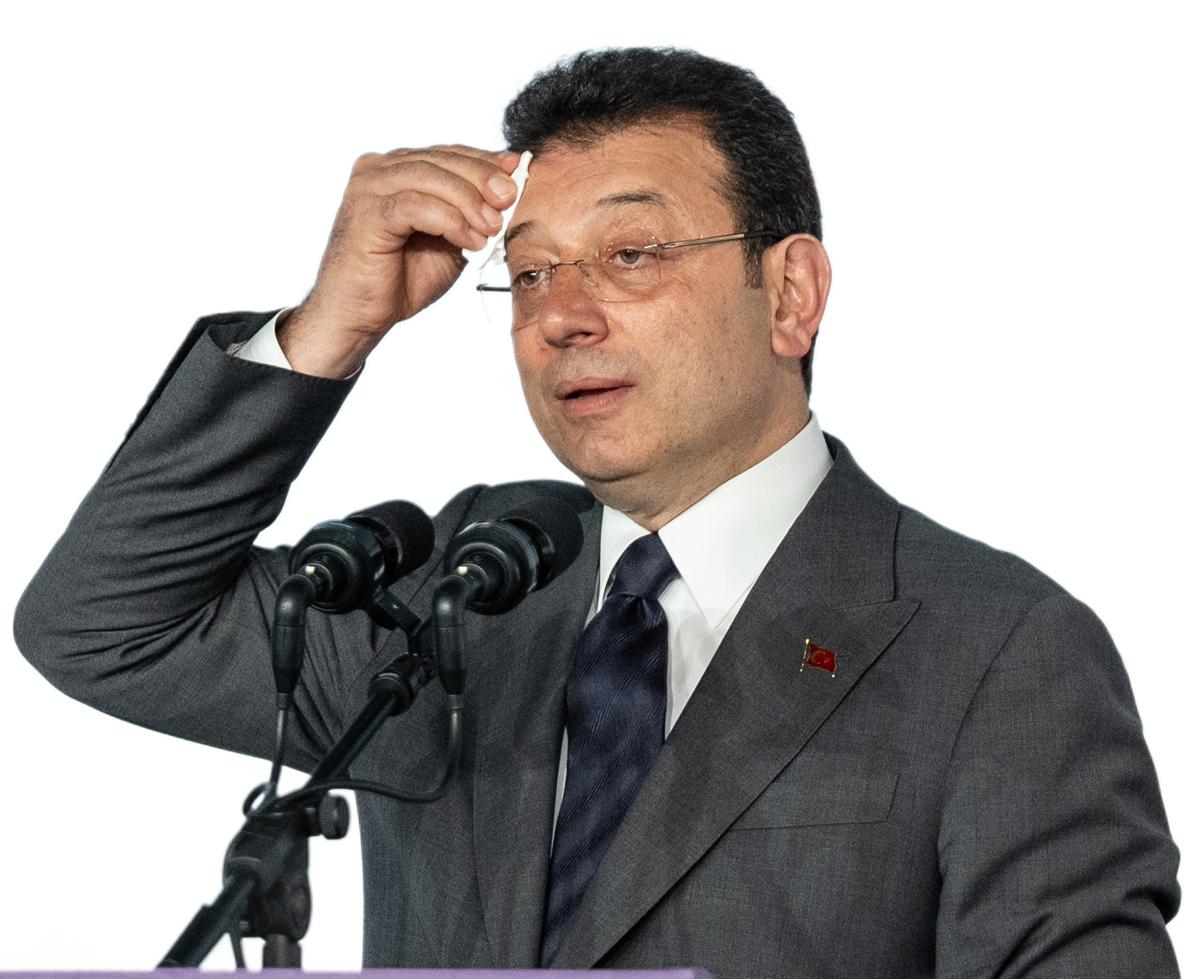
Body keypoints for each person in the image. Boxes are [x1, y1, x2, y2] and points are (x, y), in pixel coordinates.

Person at [13, 47, 1181, 977]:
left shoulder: (1001, 650)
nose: (561, 316)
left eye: (631, 253)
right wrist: (332, 324)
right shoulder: (463, 593)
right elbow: (106, 623)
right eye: (529, 272)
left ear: (789, 292)